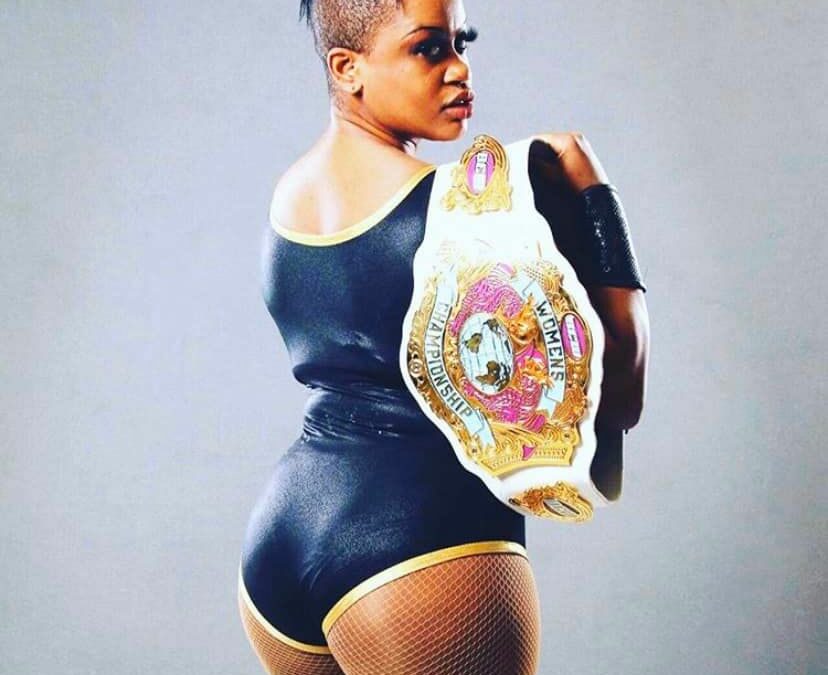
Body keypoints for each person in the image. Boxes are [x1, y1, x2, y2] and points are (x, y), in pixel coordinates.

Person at [237, 1, 650, 673]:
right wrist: (592, 193)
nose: (460, 70)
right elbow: (621, 393)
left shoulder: (291, 197)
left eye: (463, 43)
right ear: (347, 69)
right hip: (421, 546)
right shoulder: (469, 218)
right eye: (429, 48)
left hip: (283, 541)